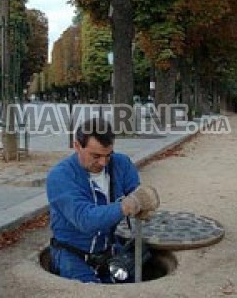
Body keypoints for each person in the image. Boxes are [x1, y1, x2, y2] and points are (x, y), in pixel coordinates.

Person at [47, 117, 160, 283]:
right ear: (77, 146)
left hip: (109, 250)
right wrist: (127, 205)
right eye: (96, 155)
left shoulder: (121, 163)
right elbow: (85, 220)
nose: (103, 162)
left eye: (108, 155)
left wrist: (145, 203)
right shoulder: (60, 177)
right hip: (73, 256)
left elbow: (135, 191)